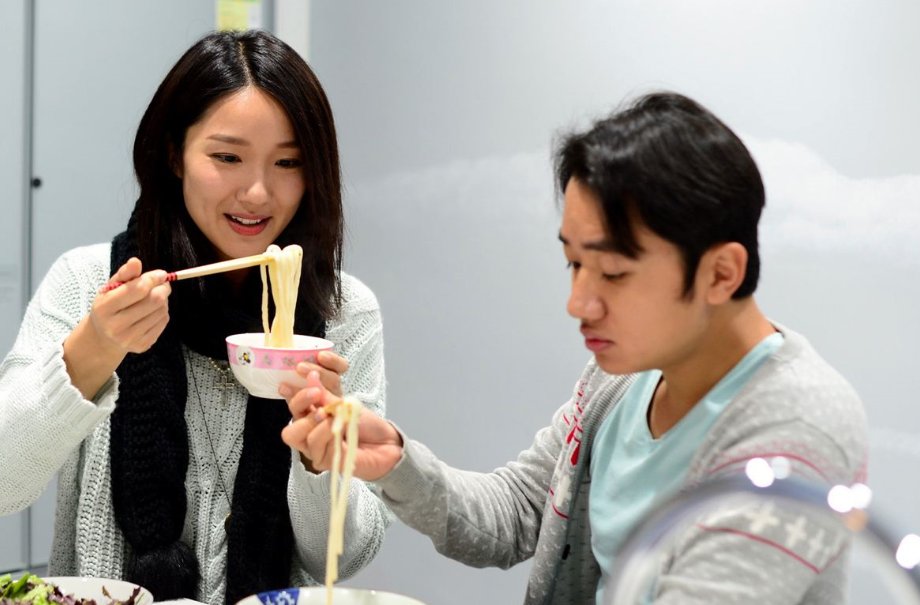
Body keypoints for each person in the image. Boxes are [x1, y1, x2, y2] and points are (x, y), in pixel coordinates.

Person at [281, 92, 869, 604]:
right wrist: (398, 464)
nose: (578, 301)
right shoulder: (623, 379)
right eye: (574, 262)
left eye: (612, 272)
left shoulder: (799, 429)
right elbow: (515, 515)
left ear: (721, 274)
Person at [0, 30, 390, 605]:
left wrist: (317, 456)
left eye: (288, 162)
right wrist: (92, 353)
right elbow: (6, 483)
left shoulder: (343, 313)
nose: (257, 192)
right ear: (173, 155)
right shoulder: (87, 283)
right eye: (226, 157)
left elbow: (349, 553)